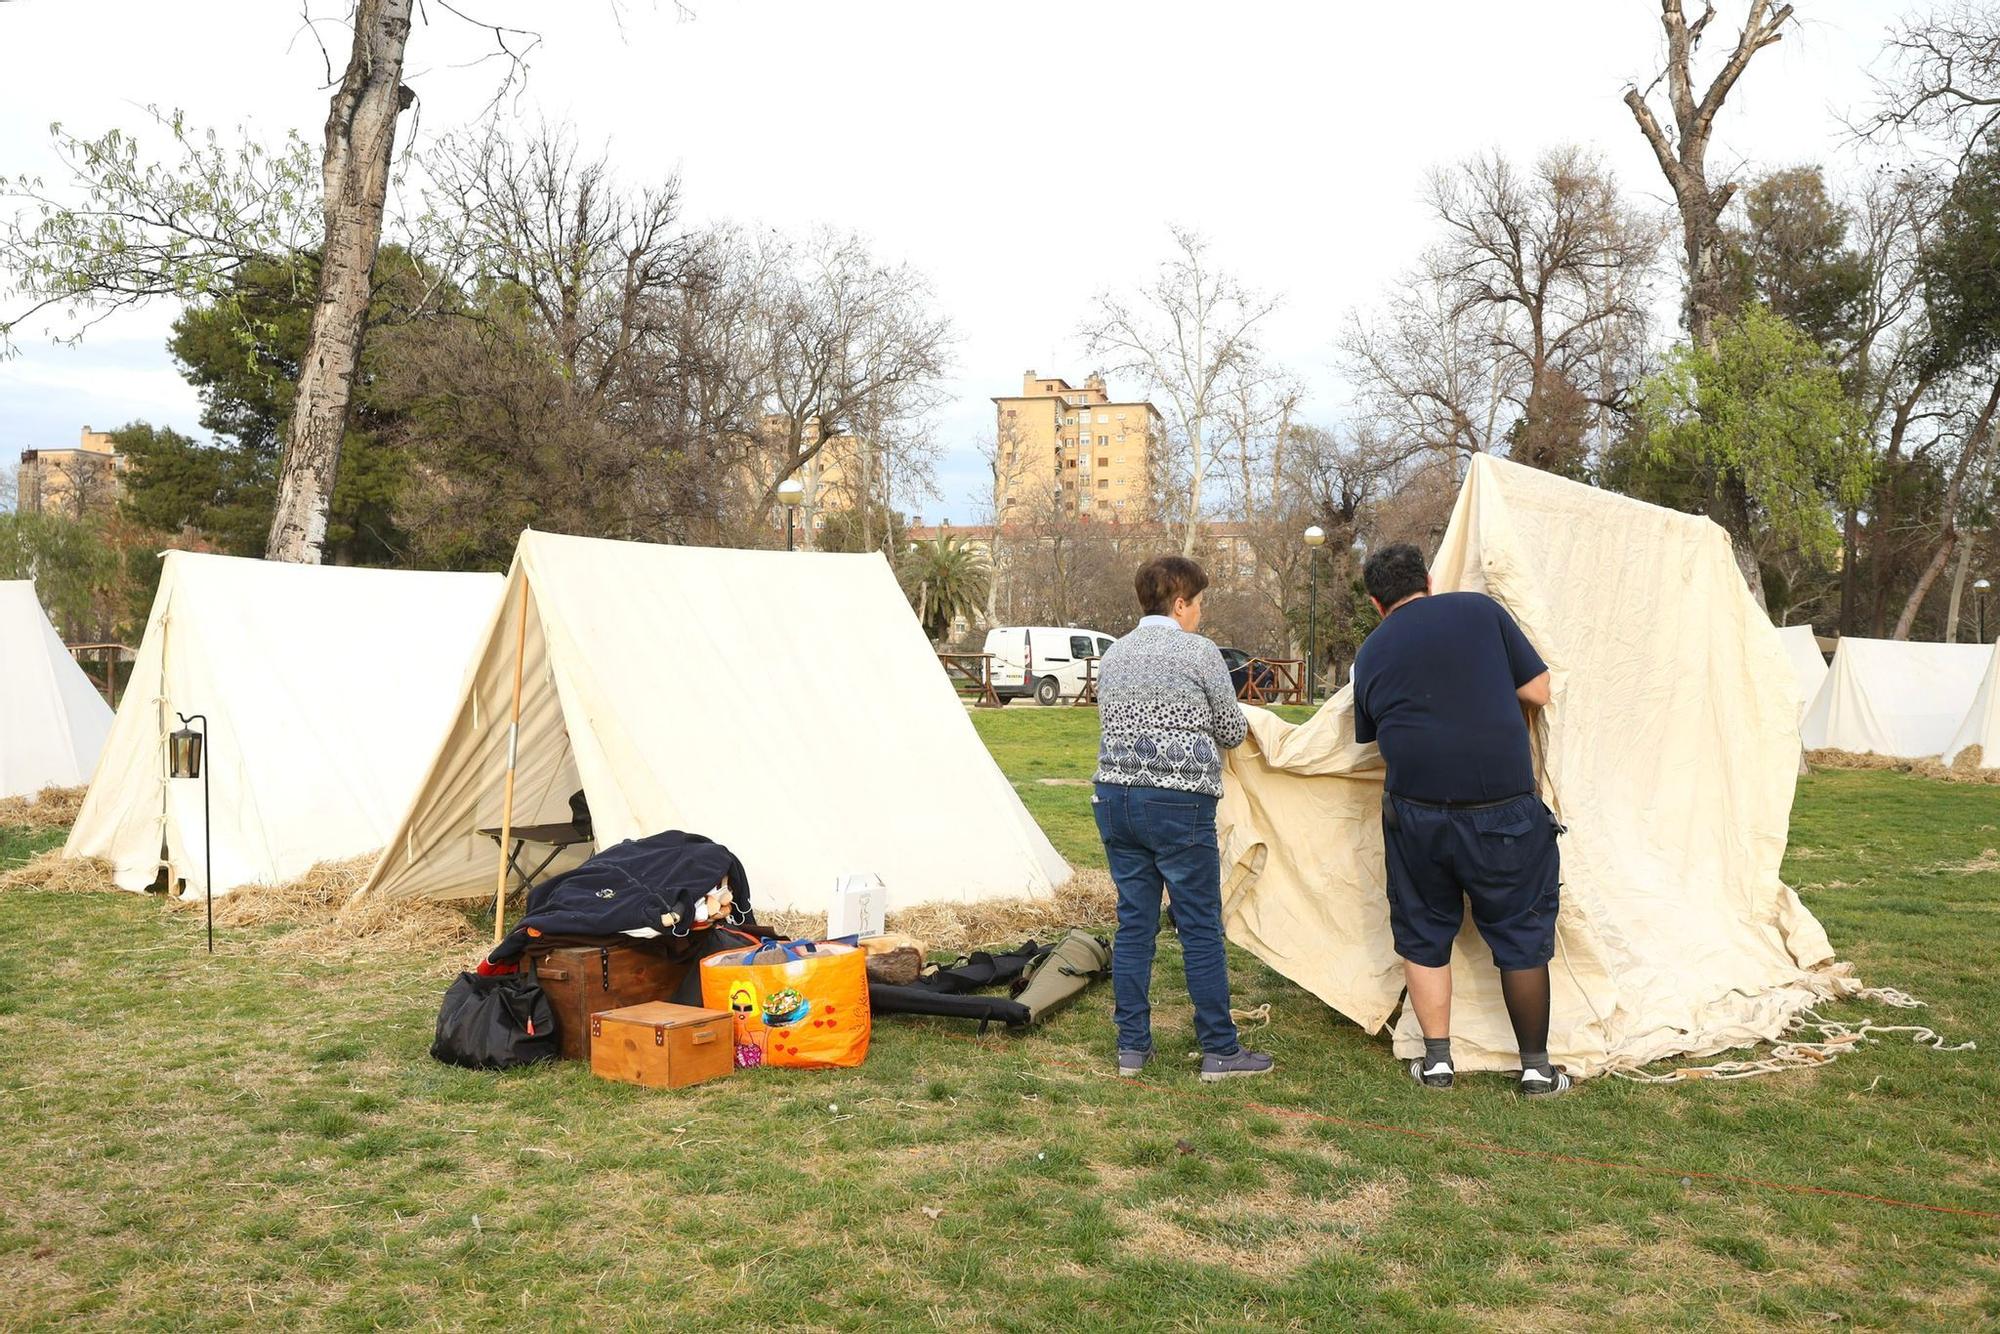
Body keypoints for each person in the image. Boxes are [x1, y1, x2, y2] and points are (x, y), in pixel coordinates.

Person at [1350, 543, 1570, 1097]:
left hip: (1416, 816)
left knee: (1423, 933)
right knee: (1521, 933)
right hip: (1503, 811)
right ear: (1428, 579)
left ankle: (1439, 1063)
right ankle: (1537, 1070)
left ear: (1377, 604)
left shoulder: (1370, 654)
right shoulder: (1479, 610)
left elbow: (1374, 734)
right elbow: (1540, 691)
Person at [1091, 555, 1273, 1082]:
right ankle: (1219, 1049)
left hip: (1114, 798)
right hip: (1177, 801)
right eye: (1198, 603)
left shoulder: (1114, 654)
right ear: (1179, 603)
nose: (1199, 613)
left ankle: (1132, 1048)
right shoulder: (1199, 652)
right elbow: (1231, 729)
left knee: (1134, 926)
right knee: (1198, 926)